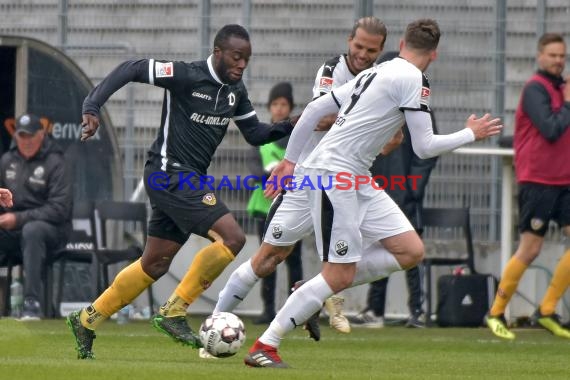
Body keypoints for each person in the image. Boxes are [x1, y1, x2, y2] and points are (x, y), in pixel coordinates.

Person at [243, 18, 502, 368]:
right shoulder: (414, 79)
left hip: (356, 176)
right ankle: (266, 345)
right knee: (339, 276)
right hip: (335, 176)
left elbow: (316, 109)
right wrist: (470, 133)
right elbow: (424, 147)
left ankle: (315, 287)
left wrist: (289, 161)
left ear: (400, 42)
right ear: (434, 54)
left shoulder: (375, 72)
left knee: (410, 250)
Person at [66, 24, 297, 360]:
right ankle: (175, 310)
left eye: (246, 58)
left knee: (154, 263)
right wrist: (92, 105)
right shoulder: (186, 75)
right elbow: (131, 68)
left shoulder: (235, 92)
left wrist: (293, 123)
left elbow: (255, 133)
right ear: (218, 52)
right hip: (168, 174)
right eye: (236, 56)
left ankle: (86, 320)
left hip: (184, 179)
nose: (242, 64)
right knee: (232, 238)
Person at [211, 16, 388, 342]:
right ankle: (214, 323)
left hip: (345, 182)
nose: (363, 54)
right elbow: (320, 115)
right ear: (350, 40)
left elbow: (388, 139)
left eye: (371, 50)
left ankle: (306, 299)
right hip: (308, 177)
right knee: (268, 258)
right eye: (359, 46)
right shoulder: (332, 71)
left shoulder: (381, 80)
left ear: (381, 50)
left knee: (390, 250)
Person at [485, 33, 570, 340]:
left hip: (564, 180)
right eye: (552, 55)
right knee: (530, 249)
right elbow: (550, 128)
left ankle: (546, 310)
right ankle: (495, 313)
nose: (558, 60)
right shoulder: (536, 88)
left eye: (562, 55)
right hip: (538, 180)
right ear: (539, 57)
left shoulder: (561, 88)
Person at [348, 51, 437, 329]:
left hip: (405, 193)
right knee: (380, 249)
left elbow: (428, 150)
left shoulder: (416, 103)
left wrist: (413, 187)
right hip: (378, 190)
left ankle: (417, 312)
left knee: (412, 253)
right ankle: (375, 311)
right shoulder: (374, 106)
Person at [0, 113, 73, 320]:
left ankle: (31, 303)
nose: (26, 141)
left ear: (41, 135)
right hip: (14, 231)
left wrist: (17, 219)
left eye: (31, 136)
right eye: (22, 136)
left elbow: (59, 209)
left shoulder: (56, 162)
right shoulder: (7, 160)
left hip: (52, 231)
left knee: (32, 230)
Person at [246, 82, 303, 325]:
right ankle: (268, 309)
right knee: (267, 259)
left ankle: (296, 309)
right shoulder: (262, 137)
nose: (279, 109)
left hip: (293, 208)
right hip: (264, 207)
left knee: (294, 261)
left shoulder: (296, 139)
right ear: (270, 108)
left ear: (290, 108)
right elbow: (253, 168)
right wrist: (269, 176)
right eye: (275, 104)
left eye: (284, 104)